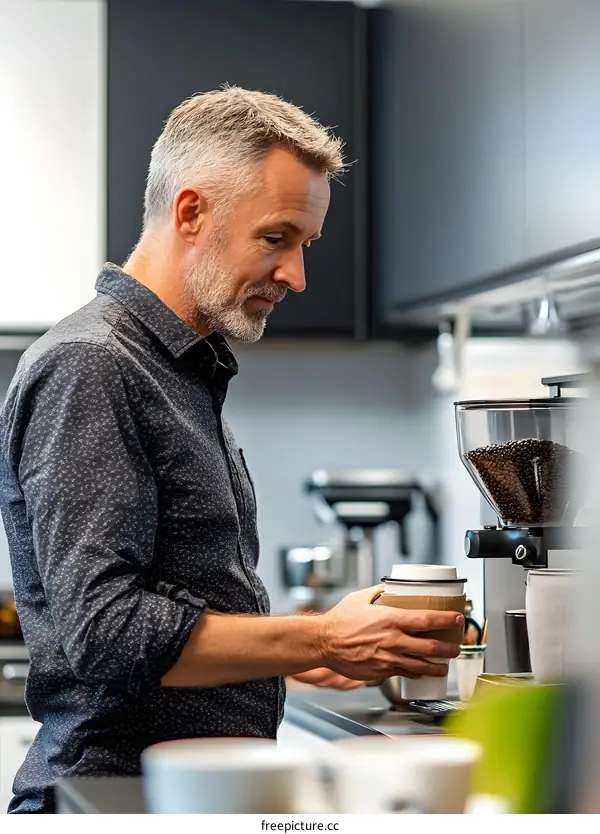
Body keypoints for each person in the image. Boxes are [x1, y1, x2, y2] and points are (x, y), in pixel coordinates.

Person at [0, 87, 462, 814]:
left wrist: (315, 655)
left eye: (304, 245)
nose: (296, 276)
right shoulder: (93, 365)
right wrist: (320, 638)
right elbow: (107, 632)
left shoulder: (181, 371)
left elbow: (176, 615)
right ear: (191, 212)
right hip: (115, 805)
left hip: (185, 799)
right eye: (276, 238)